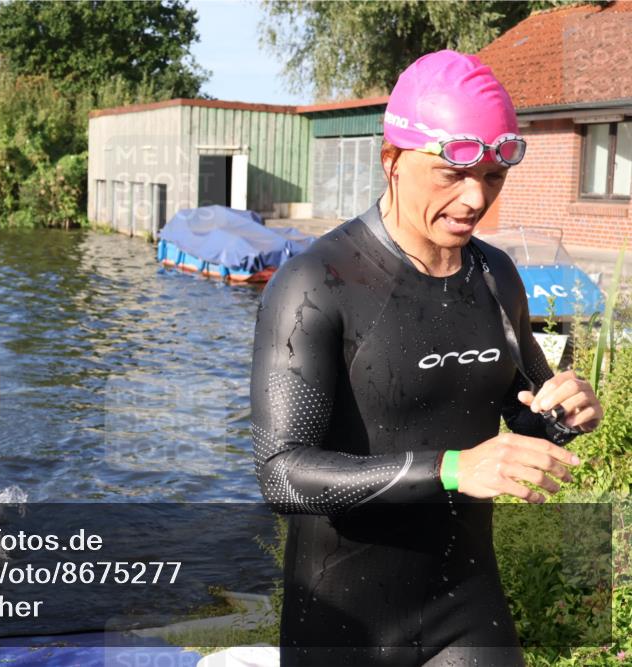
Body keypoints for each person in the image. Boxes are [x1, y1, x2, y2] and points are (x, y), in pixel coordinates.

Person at [249, 50, 603, 666]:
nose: (475, 199)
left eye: (494, 178)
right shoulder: (316, 283)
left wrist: (561, 416)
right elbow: (281, 473)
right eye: (452, 174)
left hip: (464, 604)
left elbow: (524, 412)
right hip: (343, 617)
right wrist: (452, 469)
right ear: (391, 161)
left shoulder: (496, 275)